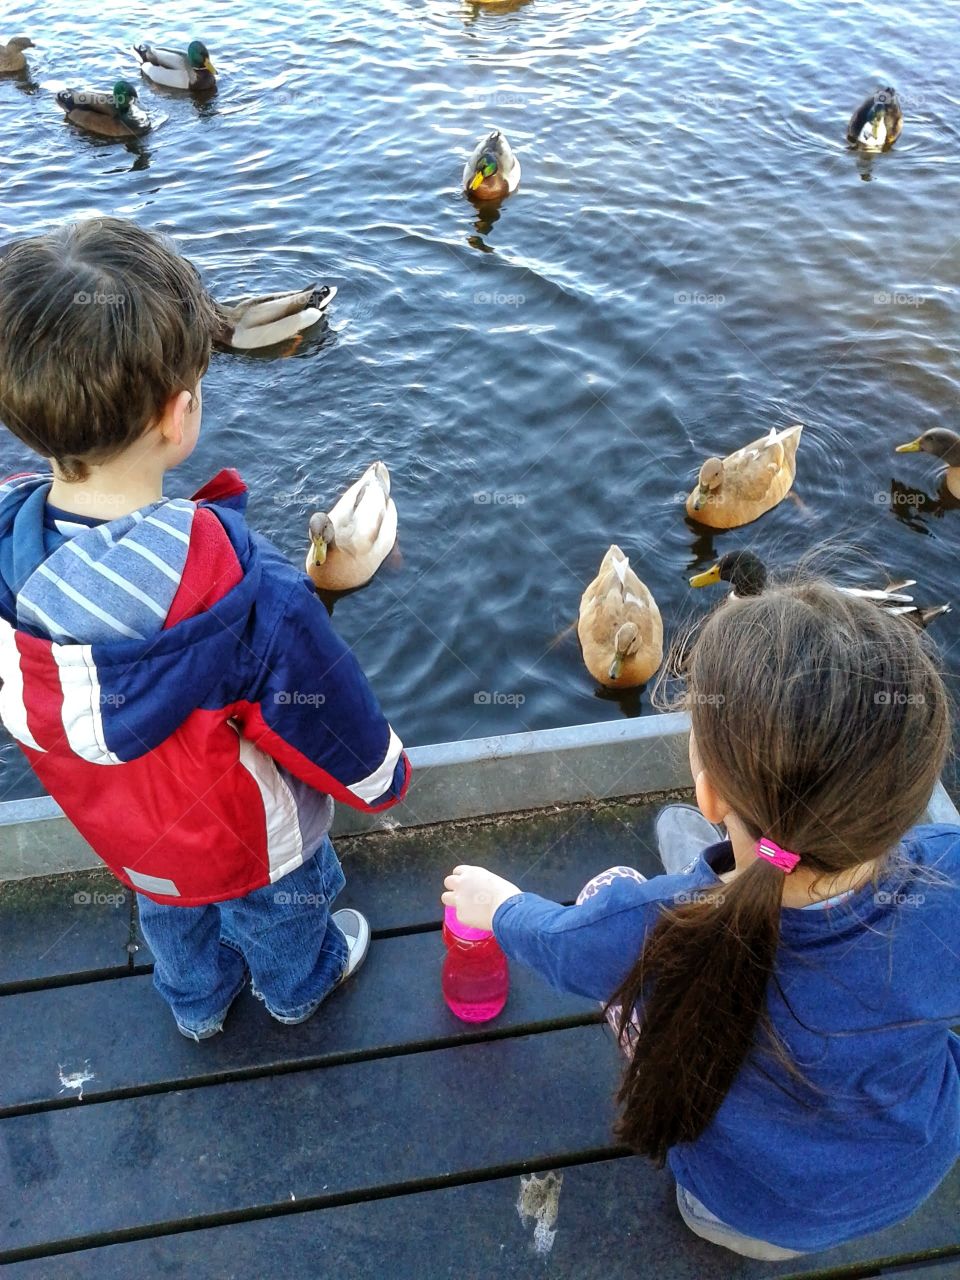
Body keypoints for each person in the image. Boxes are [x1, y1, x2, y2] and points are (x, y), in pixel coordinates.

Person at [443, 581, 959, 1259]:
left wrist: (497, 904)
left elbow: (562, 945)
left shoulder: (648, 923)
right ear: (903, 802)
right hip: (911, 1176)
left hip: (738, 1214)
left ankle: (724, 870)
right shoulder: (946, 869)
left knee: (614, 888)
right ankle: (736, 867)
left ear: (709, 789)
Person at [0, 217, 410, 1040]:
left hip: (130, 842)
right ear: (178, 416)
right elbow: (324, 715)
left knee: (171, 914)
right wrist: (382, 780)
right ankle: (298, 986)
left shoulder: (12, 575)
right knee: (281, 909)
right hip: (243, 839)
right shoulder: (250, 598)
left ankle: (195, 1004)